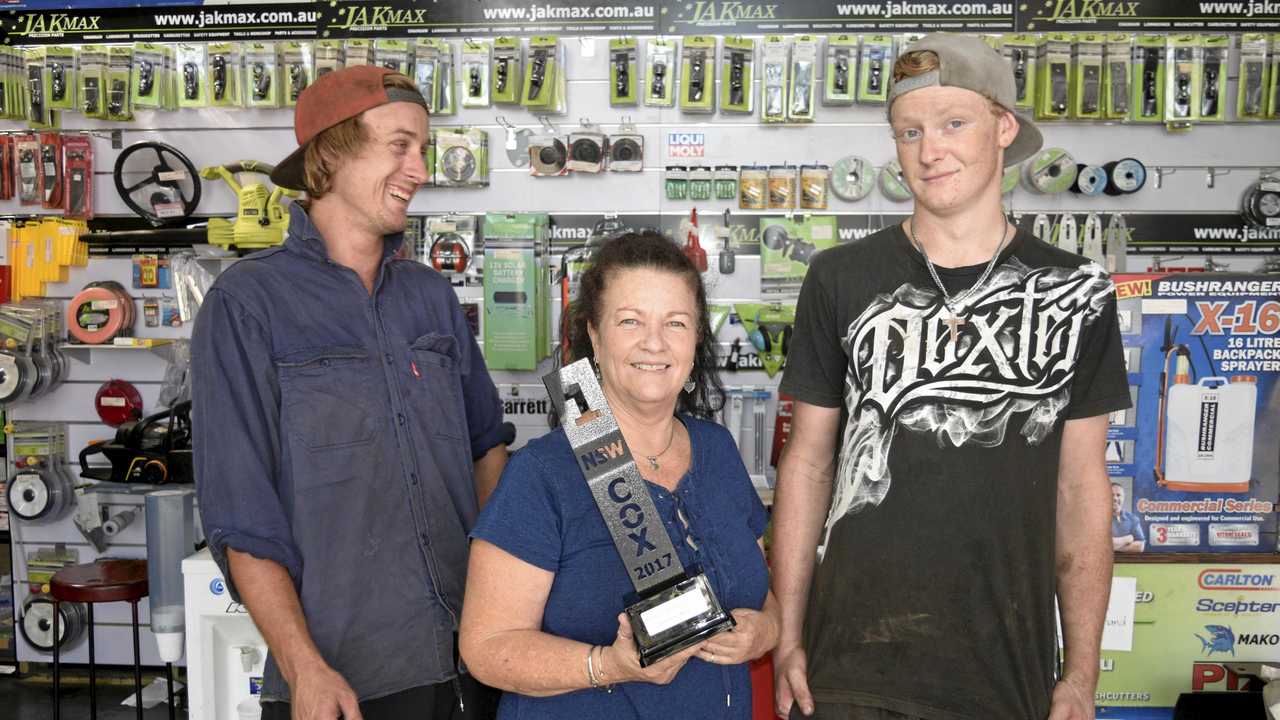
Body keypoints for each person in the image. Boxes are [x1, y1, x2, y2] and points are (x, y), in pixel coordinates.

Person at [771, 34, 1131, 720]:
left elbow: (1082, 489)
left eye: (952, 124)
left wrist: (1080, 674)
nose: (928, 150)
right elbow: (808, 464)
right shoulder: (839, 278)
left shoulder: (1078, 290)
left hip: (1004, 673)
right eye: (909, 131)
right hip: (845, 671)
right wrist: (789, 636)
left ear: (1003, 128)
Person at [193, 66, 510, 720]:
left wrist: (498, 602)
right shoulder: (248, 305)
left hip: (470, 665)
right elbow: (241, 517)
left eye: (423, 148)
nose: (420, 168)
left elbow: (487, 450)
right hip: (343, 684)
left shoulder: (431, 297)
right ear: (330, 153)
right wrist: (302, 666)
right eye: (400, 145)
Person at [459, 232, 779, 719]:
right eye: (630, 321)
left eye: (676, 322)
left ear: (697, 338)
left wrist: (766, 631)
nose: (654, 342)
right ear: (594, 333)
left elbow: (762, 592)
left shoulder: (716, 450)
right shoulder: (543, 474)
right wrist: (609, 664)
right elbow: (485, 647)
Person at [1111, 483, 1146, 553]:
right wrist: (1127, 539)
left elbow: (1140, 546)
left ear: (1123, 498)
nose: (1115, 498)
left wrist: (1113, 546)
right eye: (1111, 495)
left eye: (1118, 495)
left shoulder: (1133, 519)